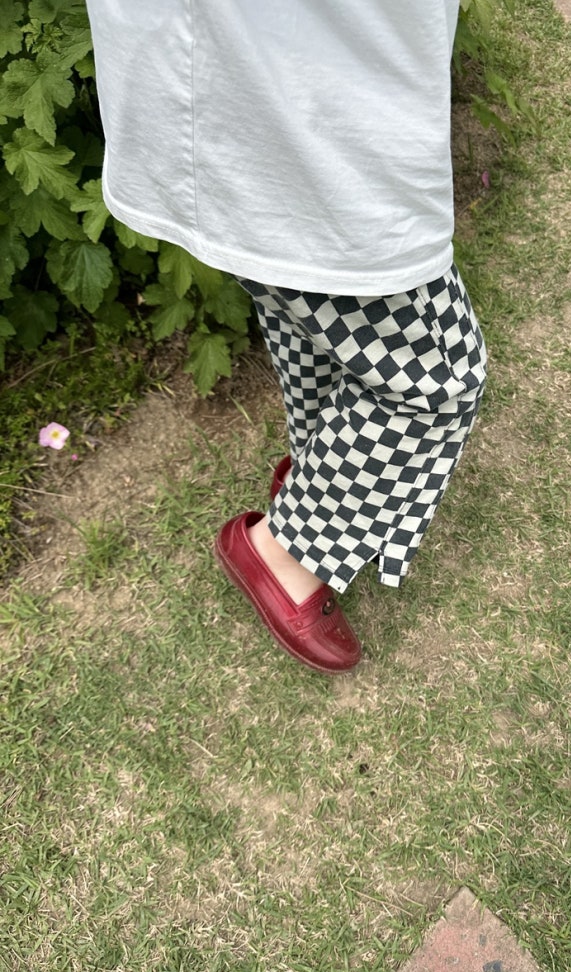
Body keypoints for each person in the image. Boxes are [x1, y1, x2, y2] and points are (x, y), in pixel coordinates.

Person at [85, 0, 487, 674]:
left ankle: (315, 473)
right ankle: (282, 552)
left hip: (270, 98)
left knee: (312, 322)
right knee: (438, 379)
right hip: (290, 107)